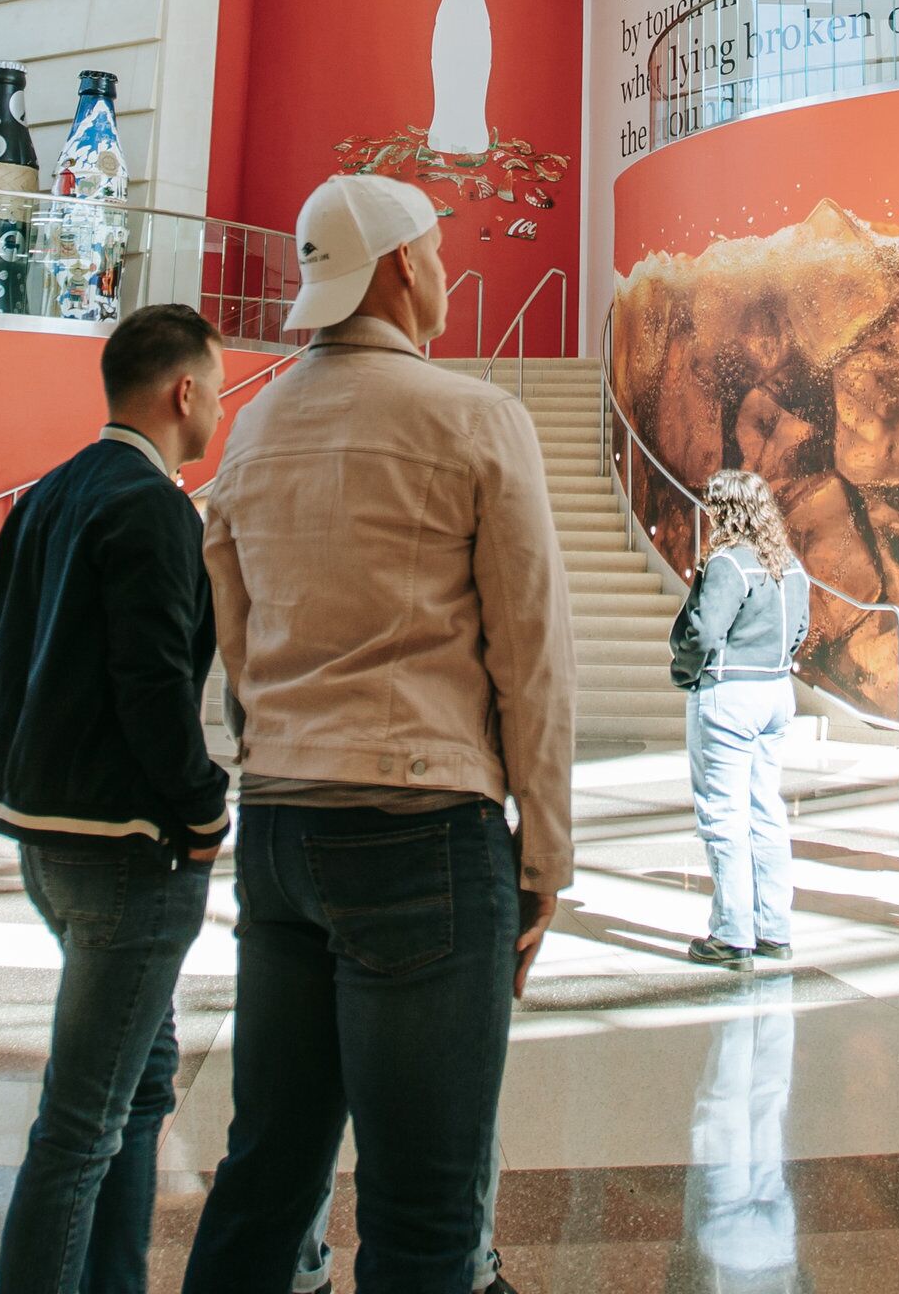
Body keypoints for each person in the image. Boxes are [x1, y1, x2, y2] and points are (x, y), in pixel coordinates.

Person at [182, 174, 573, 1294]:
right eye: (440, 253)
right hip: (422, 836)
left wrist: (281, 757)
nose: (446, 272)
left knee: (266, 1172)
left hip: (283, 834)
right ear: (404, 267)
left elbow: (239, 648)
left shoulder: (252, 430)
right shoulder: (474, 417)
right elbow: (530, 654)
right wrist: (544, 848)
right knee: (424, 1213)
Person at [0, 304, 235, 1294]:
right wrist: (205, 806)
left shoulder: (47, 496)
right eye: (213, 385)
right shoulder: (153, 506)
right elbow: (154, 681)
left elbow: (10, 662)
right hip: (127, 851)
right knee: (81, 1125)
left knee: (142, 1085)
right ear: (184, 392)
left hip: (42, 833)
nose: (215, 403)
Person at [676, 469, 810, 968]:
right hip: (776, 693)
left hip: (729, 695)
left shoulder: (730, 564)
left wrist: (685, 672)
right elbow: (800, 629)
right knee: (766, 811)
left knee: (722, 814)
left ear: (724, 510)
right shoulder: (789, 565)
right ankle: (773, 928)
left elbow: (705, 632)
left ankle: (732, 935)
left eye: (713, 504)